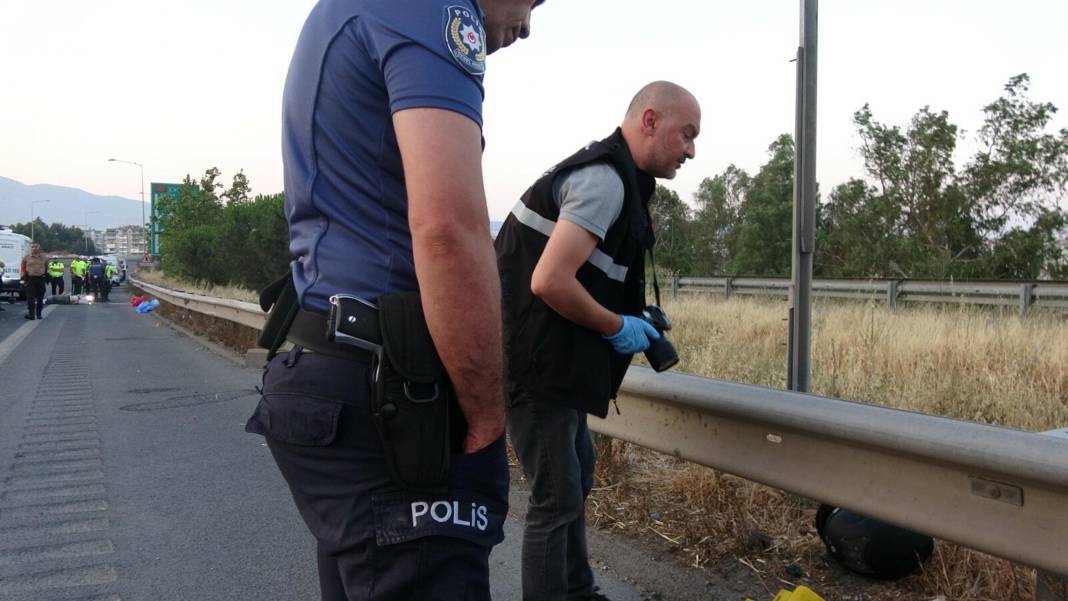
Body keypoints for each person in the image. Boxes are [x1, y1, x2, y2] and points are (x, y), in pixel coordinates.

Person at [243, 1, 546, 599]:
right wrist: (487, 415)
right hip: (392, 390)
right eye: (534, 0)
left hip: (323, 356)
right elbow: (448, 231)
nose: (528, 24)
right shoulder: (434, 8)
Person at [494, 81, 701, 601]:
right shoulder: (604, 181)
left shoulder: (622, 181)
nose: (691, 151)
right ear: (649, 121)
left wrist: (633, 316)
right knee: (556, 497)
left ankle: (579, 591)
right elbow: (549, 281)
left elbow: (585, 276)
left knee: (577, 476)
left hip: (555, 362)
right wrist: (616, 326)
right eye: (687, 134)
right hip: (533, 364)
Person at [21, 243, 48, 320]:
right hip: (30, 279)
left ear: (38, 247)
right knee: (30, 298)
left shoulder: (44, 257)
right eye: (32, 247)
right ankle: (31, 314)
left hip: (40, 279)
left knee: (40, 298)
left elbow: (46, 267)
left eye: (35, 247)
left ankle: (39, 314)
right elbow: (23, 267)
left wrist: (45, 275)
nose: (34, 248)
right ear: (30, 248)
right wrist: (23, 277)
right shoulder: (26, 257)